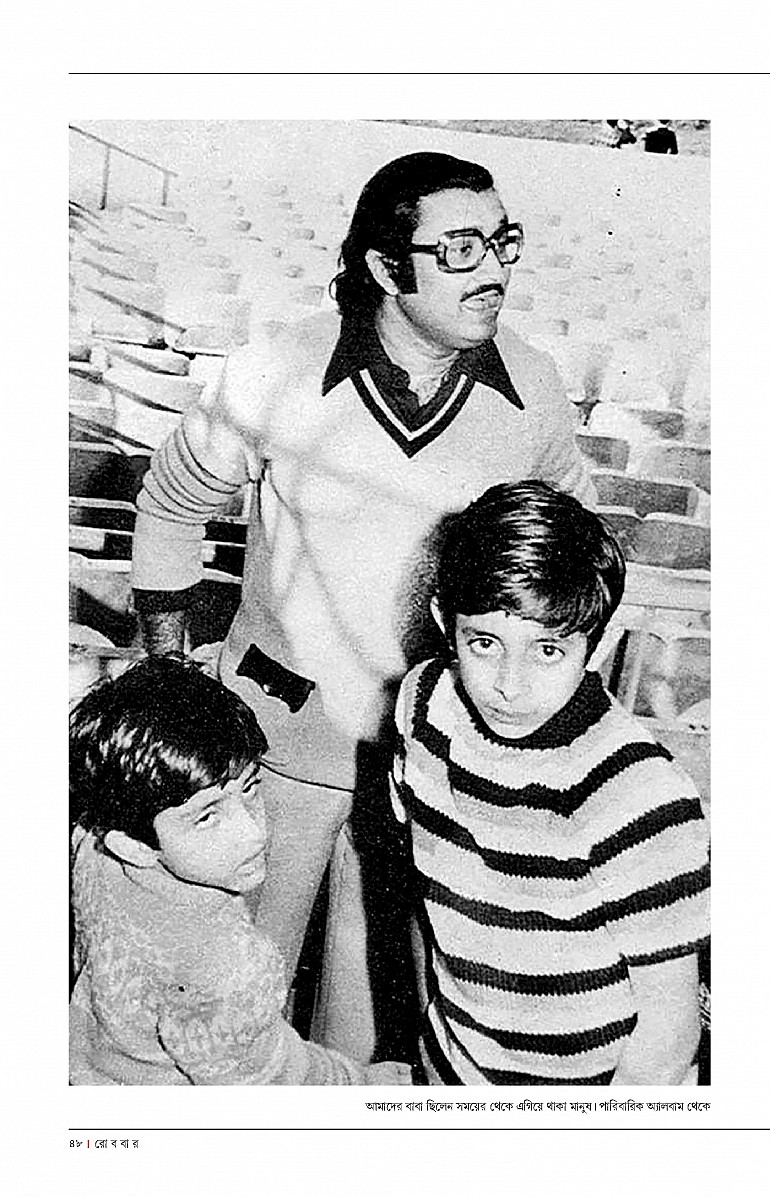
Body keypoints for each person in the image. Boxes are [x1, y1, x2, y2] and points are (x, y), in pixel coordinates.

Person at [130, 151, 596, 1061]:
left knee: (373, 1037)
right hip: (271, 750)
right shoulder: (276, 368)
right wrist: (170, 672)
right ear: (386, 266)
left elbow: (572, 549)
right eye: (459, 249)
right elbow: (172, 507)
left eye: (501, 242)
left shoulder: (533, 384)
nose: (494, 270)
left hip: (433, 766)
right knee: (223, 1018)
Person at [391, 481, 710, 1084]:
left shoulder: (640, 793)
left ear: (597, 644)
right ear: (444, 623)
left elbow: (668, 1033)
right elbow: (427, 894)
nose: (509, 685)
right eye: (484, 644)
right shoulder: (423, 706)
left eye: (546, 651)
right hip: (449, 1067)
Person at [69, 656, 412, 1085]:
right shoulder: (223, 970)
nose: (253, 833)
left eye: (249, 788)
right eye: (207, 816)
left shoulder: (96, 846)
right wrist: (379, 1085)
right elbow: (274, 1084)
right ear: (135, 846)